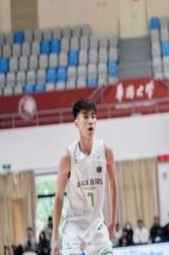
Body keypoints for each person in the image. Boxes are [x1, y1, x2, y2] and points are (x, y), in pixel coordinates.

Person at [51, 99, 117, 255]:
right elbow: (59, 197)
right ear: (76, 123)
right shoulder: (67, 157)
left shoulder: (106, 151)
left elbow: (113, 185)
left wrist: (113, 221)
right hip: (74, 226)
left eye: (93, 116)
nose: (90, 120)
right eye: (86, 116)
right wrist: (55, 237)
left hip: (96, 224)